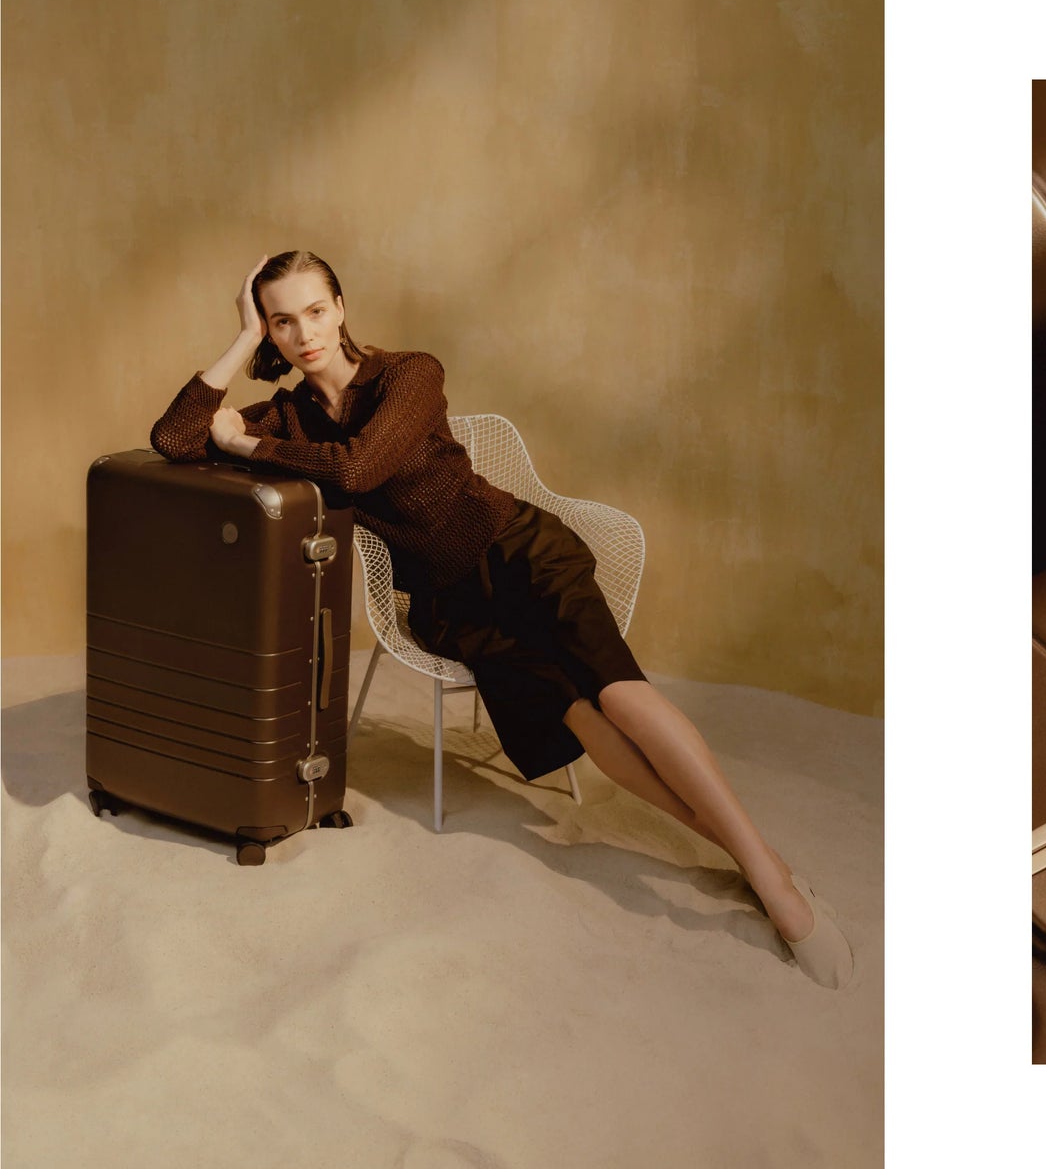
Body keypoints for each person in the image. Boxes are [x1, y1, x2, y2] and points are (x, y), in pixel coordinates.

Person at [150, 251, 853, 988]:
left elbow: (360, 469)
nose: (304, 334)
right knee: (584, 719)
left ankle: (777, 892)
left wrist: (248, 445)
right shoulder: (292, 412)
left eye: (315, 311)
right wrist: (238, 341)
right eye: (281, 320)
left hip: (520, 550)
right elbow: (173, 439)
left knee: (617, 690)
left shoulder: (409, 374)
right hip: (453, 608)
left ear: (342, 307)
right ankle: (761, 861)